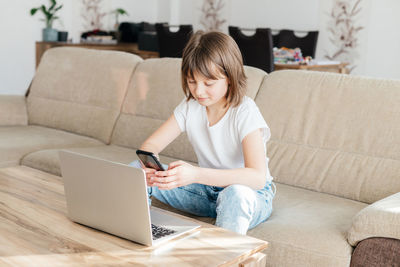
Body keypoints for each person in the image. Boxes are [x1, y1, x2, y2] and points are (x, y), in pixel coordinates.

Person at [130, 30, 275, 234]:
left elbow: (257, 177)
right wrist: (148, 167)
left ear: (230, 78)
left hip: (250, 194)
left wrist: (195, 174)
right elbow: (150, 146)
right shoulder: (190, 106)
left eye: (208, 83)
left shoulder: (245, 111)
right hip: (207, 192)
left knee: (234, 194)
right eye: (192, 82)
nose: (198, 91)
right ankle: (141, 237)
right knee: (134, 169)